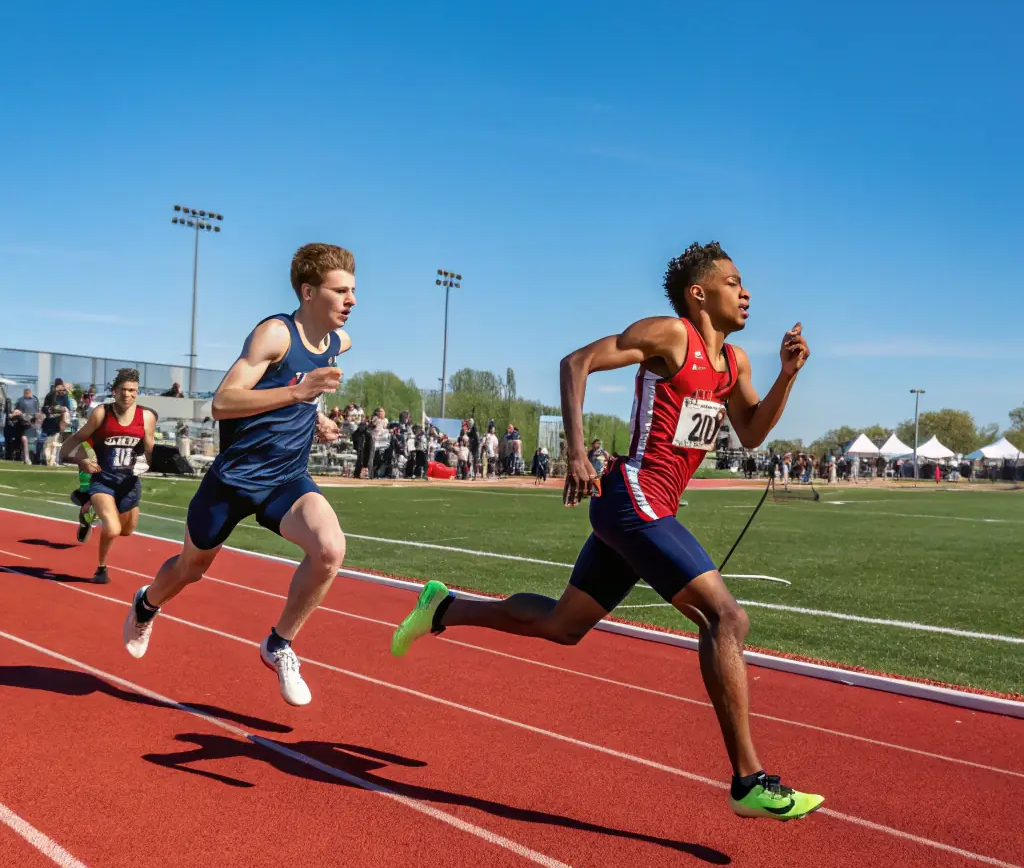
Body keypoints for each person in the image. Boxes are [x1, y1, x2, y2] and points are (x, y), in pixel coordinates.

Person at [392, 240, 823, 821]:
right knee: (728, 617)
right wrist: (576, 452)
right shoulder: (672, 336)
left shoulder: (736, 364)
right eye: (733, 281)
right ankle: (748, 780)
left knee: (562, 625)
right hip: (631, 496)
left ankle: (443, 608)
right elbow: (577, 362)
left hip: (652, 506)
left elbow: (751, 433)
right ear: (700, 294)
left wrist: (786, 377)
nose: (745, 292)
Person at [120, 242, 354, 707]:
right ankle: (146, 604)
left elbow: (303, 395)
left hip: (285, 480)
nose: (350, 300)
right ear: (308, 292)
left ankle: (279, 644)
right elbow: (223, 403)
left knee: (330, 548)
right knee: (192, 568)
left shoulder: (338, 342)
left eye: (353, 291)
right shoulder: (274, 335)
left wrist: (316, 417)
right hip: (232, 481)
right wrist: (298, 394)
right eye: (340, 290)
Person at [59, 369, 156, 582]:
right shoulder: (102, 413)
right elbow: (75, 439)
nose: (128, 395)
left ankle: (90, 512)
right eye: (124, 390)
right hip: (103, 481)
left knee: (126, 531)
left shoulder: (146, 417)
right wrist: (80, 460)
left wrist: (149, 463)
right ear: (114, 391)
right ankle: (101, 569)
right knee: (112, 529)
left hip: (129, 484)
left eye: (133, 391)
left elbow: (149, 450)